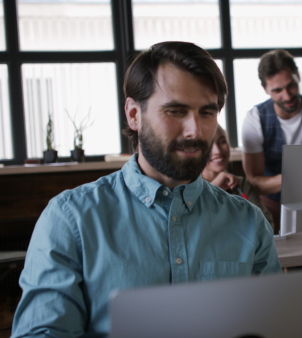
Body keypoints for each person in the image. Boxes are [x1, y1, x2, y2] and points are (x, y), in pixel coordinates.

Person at [11, 41, 282, 337]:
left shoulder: (248, 222)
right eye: (176, 111)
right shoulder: (70, 219)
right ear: (134, 115)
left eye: (207, 113)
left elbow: (274, 326)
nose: (195, 130)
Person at [241, 49, 302, 230]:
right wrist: (296, 177)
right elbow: (254, 181)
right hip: (271, 204)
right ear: (265, 89)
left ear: (298, 77)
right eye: (277, 90)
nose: (287, 96)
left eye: (291, 86)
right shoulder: (254, 119)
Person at [203, 124, 275, 229]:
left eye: (222, 142)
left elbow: (267, 225)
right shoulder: (188, 188)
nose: (217, 151)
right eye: (208, 145)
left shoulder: (240, 184)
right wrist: (214, 188)